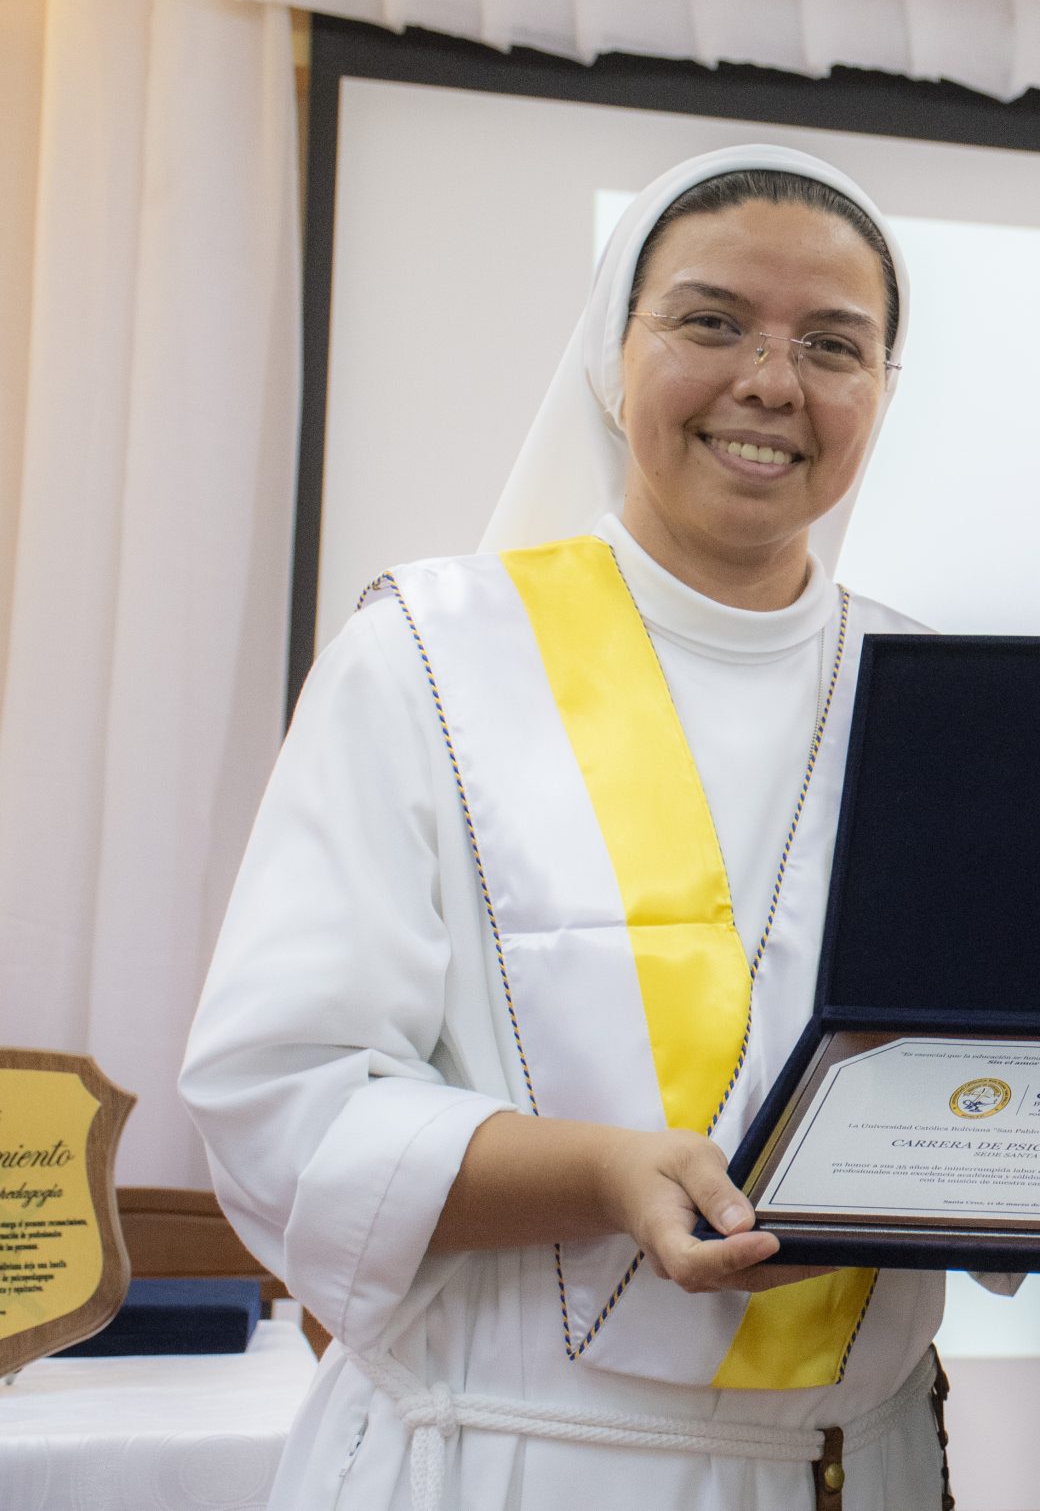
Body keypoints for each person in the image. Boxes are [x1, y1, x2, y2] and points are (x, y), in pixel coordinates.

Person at [183, 147, 961, 1511]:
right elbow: (280, 1101)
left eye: (834, 345)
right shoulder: (425, 654)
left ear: (885, 394)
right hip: (514, 1463)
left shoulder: (944, 698)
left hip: (855, 1468)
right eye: (711, 321)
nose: (772, 382)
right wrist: (606, 1175)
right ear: (614, 356)